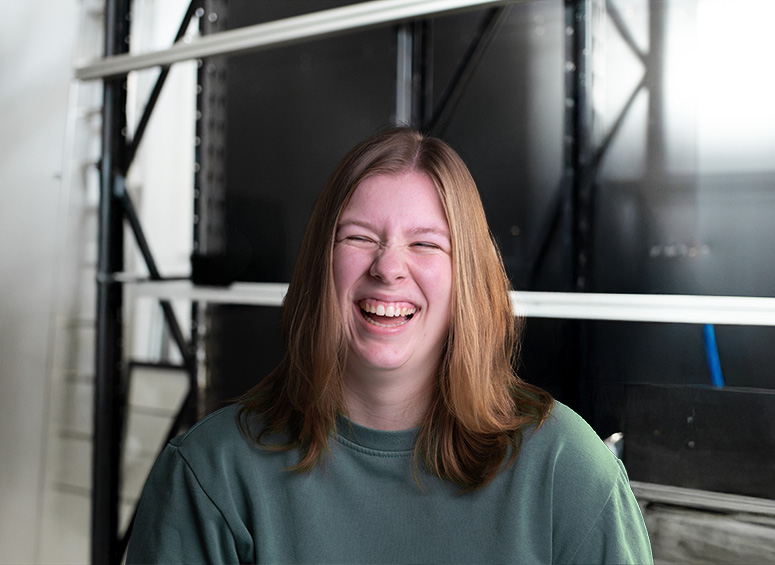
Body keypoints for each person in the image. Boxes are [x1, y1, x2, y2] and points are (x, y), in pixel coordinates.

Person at [127, 128, 653, 564]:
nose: (388, 267)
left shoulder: (568, 472)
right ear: (319, 264)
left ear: (467, 278)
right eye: (359, 237)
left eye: (425, 243)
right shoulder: (212, 474)